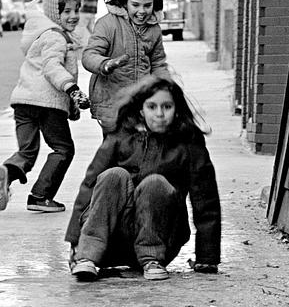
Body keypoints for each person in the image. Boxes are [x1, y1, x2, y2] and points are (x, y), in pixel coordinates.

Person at [65, 76, 221, 282]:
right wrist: (75, 241)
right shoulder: (119, 138)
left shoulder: (188, 145)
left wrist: (207, 257)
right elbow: (89, 185)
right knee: (113, 175)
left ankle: (151, 259)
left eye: (167, 106)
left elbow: (206, 200)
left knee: (155, 182)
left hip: (161, 240)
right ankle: (87, 257)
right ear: (141, 110)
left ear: (176, 110)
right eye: (152, 107)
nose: (159, 114)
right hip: (111, 242)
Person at [0, 0, 91, 213]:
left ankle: (8, 170)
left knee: (27, 151)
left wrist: (72, 108)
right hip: (47, 104)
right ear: (54, 14)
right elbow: (52, 68)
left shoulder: (41, 35)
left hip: (23, 102)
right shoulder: (56, 37)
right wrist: (73, 90)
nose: (73, 16)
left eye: (76, 10)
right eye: (66, 11)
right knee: (63, 149)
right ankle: (40, 196)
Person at [82, 0, 171, 135]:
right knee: (115, 150)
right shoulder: (108, 24)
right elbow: (89, 55)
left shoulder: (154, 29)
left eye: (147, 5)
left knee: (141, 147)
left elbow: (158, 63)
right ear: (125, 3)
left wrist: (167, 86)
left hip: (142, 102)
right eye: (135, 5)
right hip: (112, 102)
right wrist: (105, 64)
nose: (142, 11)